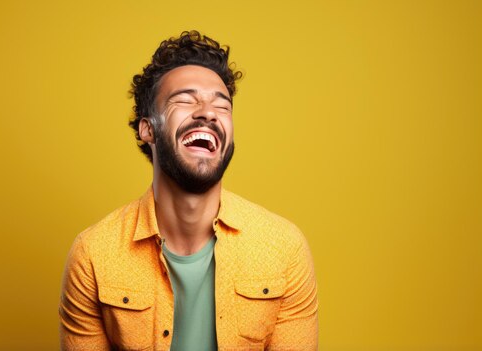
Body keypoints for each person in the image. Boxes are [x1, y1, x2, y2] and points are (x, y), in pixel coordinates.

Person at [59, 30, 318, 351]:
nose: (208, 112)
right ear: (147, 129)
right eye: (184, 100)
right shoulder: (94, 255)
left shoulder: (283, 248)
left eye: (221, 107)